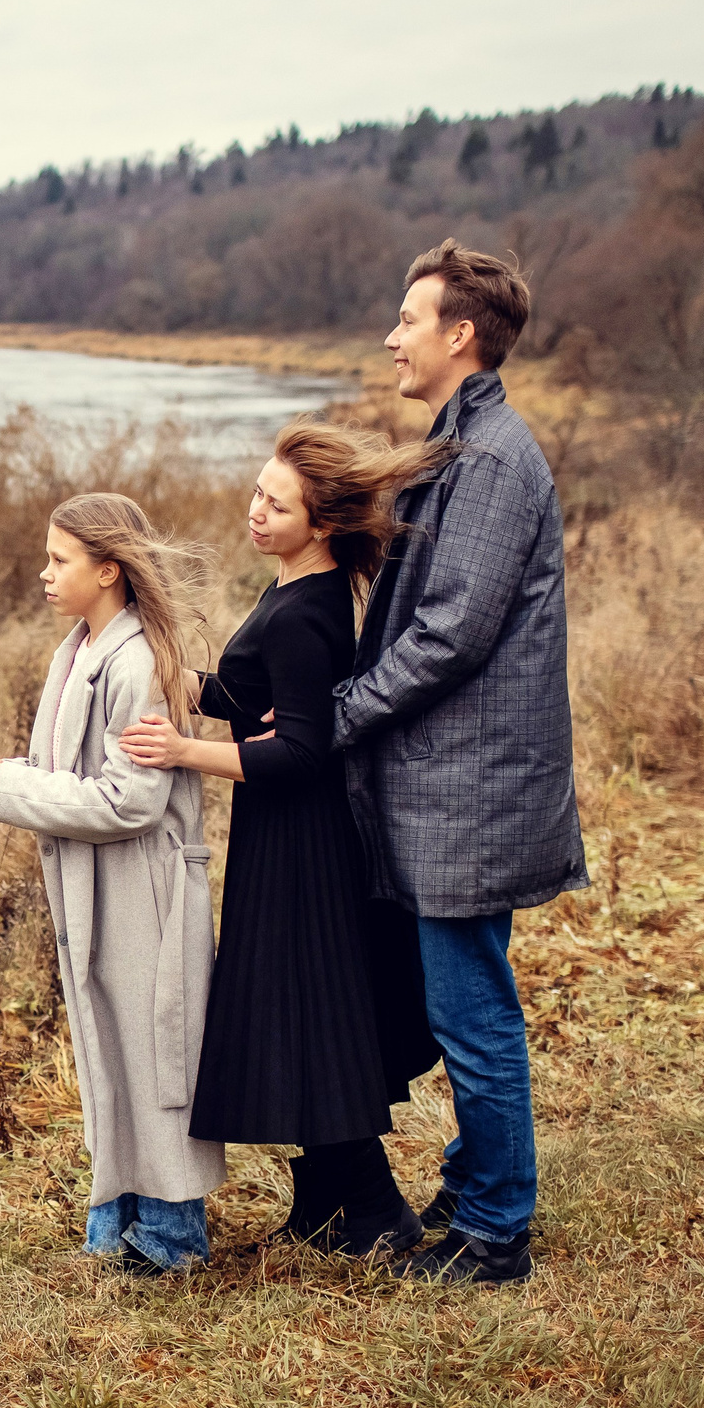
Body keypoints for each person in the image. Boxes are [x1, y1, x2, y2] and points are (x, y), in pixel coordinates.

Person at [116, 420, 446, 1262]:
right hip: (284, 833)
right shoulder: (294, 588)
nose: (255, 510)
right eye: (258, 492)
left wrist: (183, 750)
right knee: (294, 1013)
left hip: (305, 842)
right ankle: (325, 1206)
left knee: (308, 1013)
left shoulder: (306, 611)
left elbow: (300, 751)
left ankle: (376, 1214)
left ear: (323, 523)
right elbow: (248, 695)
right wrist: (165, 671)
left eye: (277, 504)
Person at [336, 240, 588, 1287]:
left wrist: (344, 711)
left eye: (409, 320)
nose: (392, 337)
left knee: (473, 1014)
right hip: (458, 783)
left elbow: (452, 632)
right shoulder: (460, 443)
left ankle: (494, 1233)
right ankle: (477, 1183)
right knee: (461, 1005)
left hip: (471, 791)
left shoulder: (487, 459)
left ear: (461, 334)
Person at [0, 493, 227, 1273]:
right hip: (100, 883)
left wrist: (16, 789)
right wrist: (18, 776)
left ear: (110, 569)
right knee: (110, 1046)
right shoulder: (79, 649)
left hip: (144, 890)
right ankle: (115, 1221)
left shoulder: (137, 662)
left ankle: (172, 1237)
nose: (45, 573)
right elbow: (74, 772)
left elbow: (130, 800)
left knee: (155, 1054)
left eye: (61, 560)